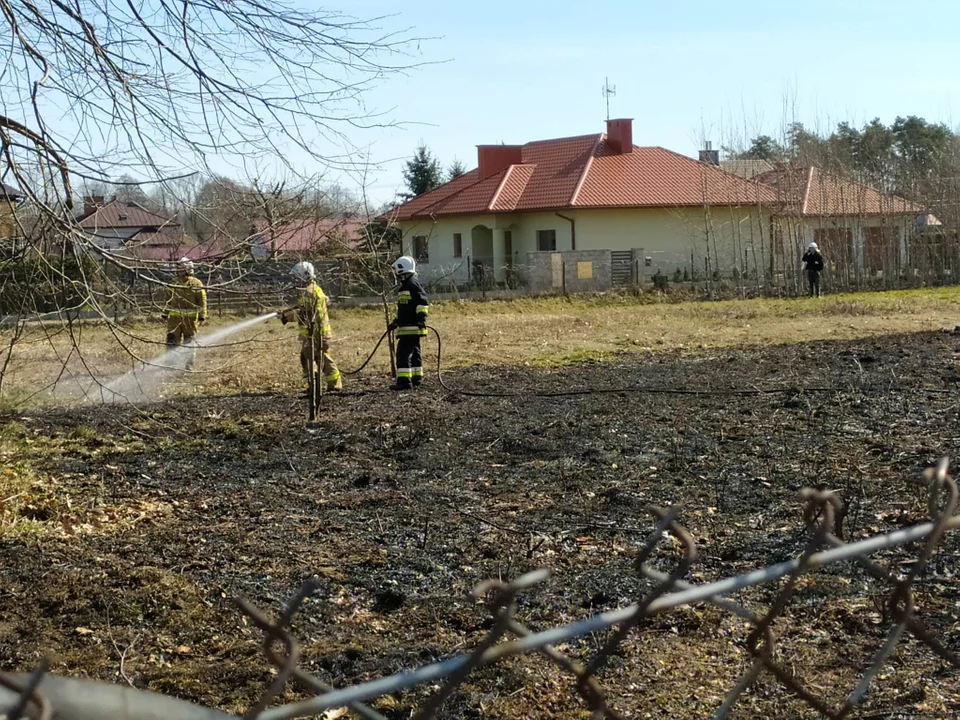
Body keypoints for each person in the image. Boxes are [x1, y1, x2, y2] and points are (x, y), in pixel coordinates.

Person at [280, 261, 342, 393]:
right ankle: (328, 384)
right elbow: (302, 307)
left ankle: (317, 386)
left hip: (315, 333)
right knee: (317, 357)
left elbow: (306, 314)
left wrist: (287, 317)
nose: (296, 280)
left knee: (313, 358)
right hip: (314, 332)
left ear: (305, 275)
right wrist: (285, 312)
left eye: (298, 277)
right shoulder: (313, 289)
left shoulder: (309, 292)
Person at [388, 255, 429, 391]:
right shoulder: (407, 285)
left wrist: (421, 319)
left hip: (411, 327)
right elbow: (406, 309)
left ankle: (404, 381)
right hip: (409, 326)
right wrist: (397, 322)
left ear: (401, 269)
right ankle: (417, 377)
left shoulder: (412, 285)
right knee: (415, 352)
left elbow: (422, 302)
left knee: (402, 354)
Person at [162, 257, 207, 369]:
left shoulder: (196, 283)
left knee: (189, 344)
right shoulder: (173, 283)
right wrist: (165, 312)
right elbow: (168, 299)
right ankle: (170, 365)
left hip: (190, 321)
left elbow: (202, 300)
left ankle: (189, 366)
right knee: (172, 341)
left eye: (180, 268)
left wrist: (202, 315)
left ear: (187, 269)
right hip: (174, 320)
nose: (178, 270)